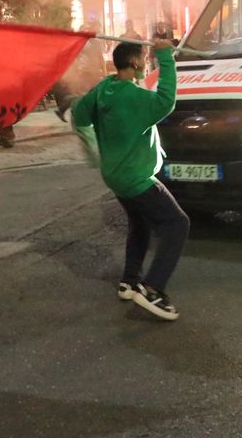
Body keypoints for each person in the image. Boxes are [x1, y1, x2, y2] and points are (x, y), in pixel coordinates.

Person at [71, 39, 188, 321]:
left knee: (140, 224)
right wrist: (166, 56)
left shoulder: (103, 89)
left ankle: (129, 281)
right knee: (177, 224)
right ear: (135, 64)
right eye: (145, 57)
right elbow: (166, 100)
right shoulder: (134, 98)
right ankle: (153, 290)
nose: (146, 61)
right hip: (135, 178)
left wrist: (94, 145)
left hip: (114, 175)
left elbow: (78, 114)